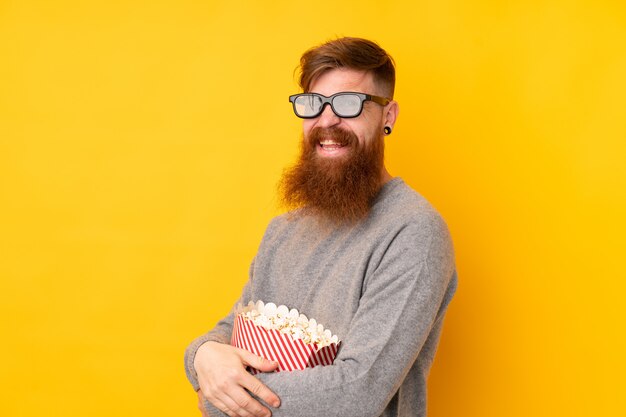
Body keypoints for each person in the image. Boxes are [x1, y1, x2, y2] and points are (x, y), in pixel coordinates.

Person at [184, 37, 458, 417]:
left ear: (388, 116)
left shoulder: (413, 232)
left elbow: (357, 391)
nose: (327, 121)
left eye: (348, 104)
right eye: (314, 104)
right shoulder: (283, 230)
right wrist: (202, 355)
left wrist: (222, 400)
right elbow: (232, 328)